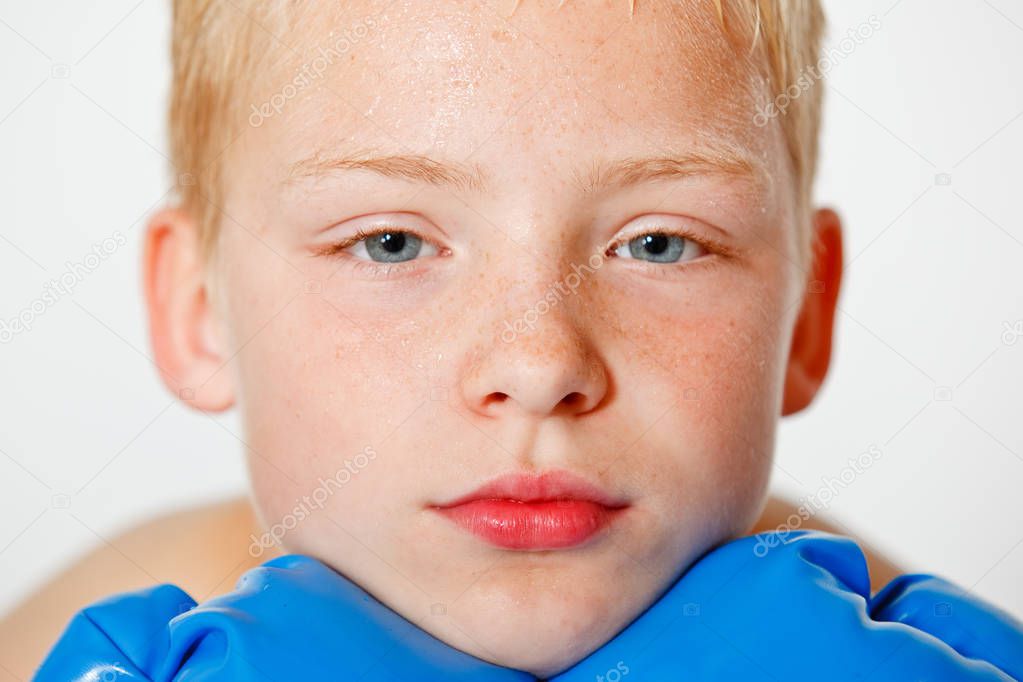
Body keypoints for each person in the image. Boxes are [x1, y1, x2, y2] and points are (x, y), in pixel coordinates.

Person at [5, 1, 1021, 680]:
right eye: (392, 241)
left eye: (660, 242)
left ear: (807, 310)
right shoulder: (90, 637)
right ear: (198, 310)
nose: (538, 365)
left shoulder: (888, 642)